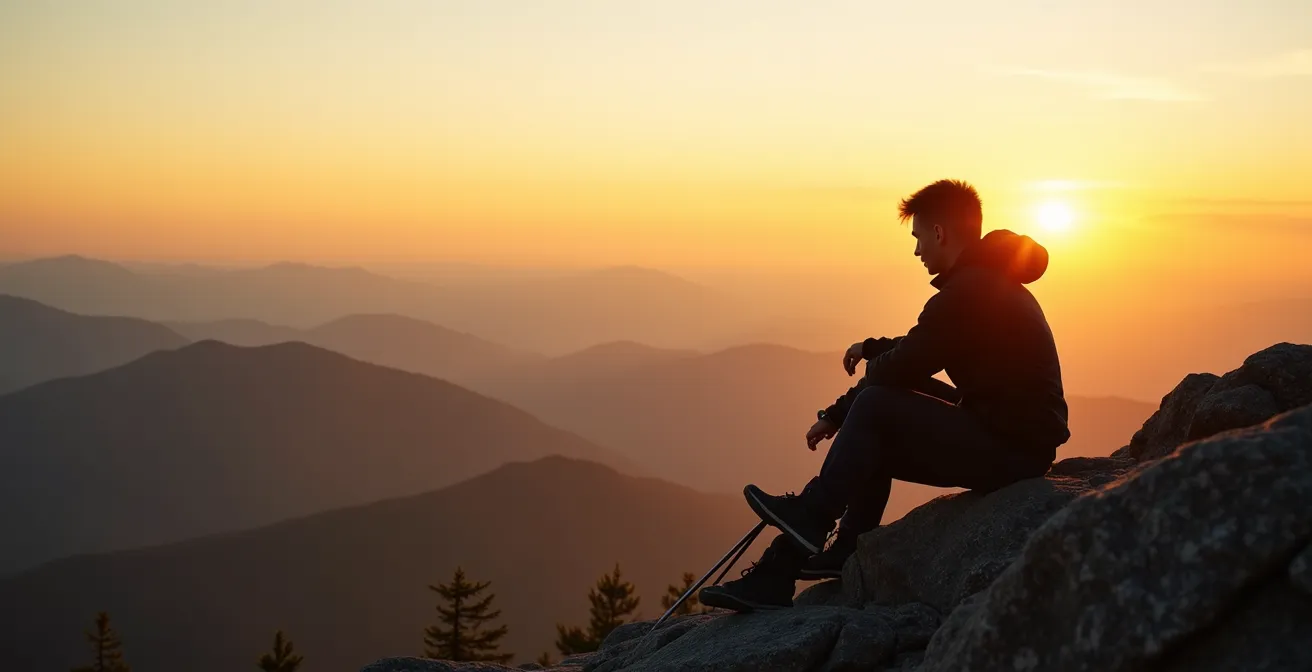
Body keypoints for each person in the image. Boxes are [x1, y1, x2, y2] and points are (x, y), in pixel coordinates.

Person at [700, 179, 1070, 612]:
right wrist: (865, 363)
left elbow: (900, 366)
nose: (916, 251)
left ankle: (810, 521)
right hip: (1009, 436)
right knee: (875, 420)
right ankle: (832, 551)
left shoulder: (968, 293)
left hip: (1011, 450)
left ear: (939, 232)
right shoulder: (985, 283)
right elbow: (920, 347)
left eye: (918, 238)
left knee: (876, 408)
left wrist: (844, 407)